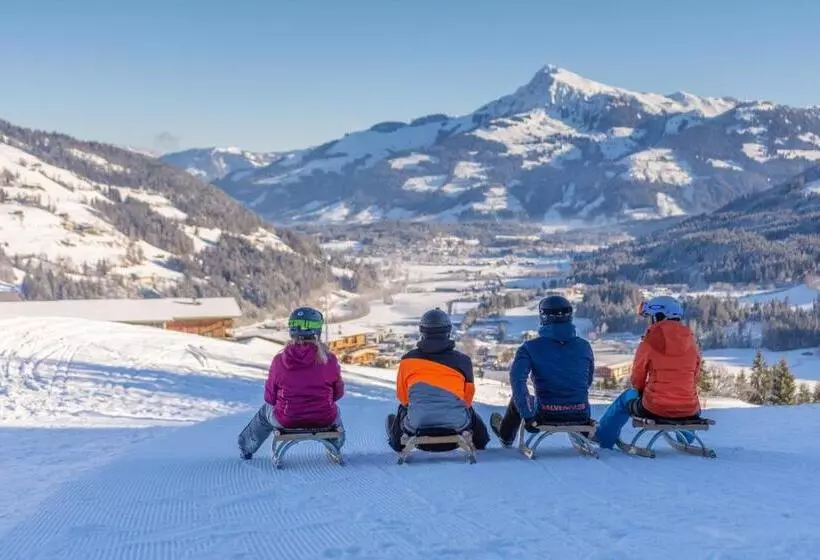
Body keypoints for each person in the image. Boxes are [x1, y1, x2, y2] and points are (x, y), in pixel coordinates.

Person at [594, 295, 702, 449]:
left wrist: (642, 391)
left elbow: (637, 379)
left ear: (659, 316)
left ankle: (603, 437)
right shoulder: (691, 342)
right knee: (688, 399)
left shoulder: (650, 342)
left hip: (656, 407)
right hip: (689, 408)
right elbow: (695, 375)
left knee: (627, 397)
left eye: (650, 317)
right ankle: (686, 437)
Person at [237, 306, 344, 459]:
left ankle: (246, 448)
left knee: (265, 412)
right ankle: (336, 443)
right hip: (323, 418)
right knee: (335, 411)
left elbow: (270, 398)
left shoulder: (280, 360)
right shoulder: (329, 360)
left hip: (287, 419)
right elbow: (338, 393)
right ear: (318, 331)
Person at [490, 295, 594, 446]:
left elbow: (517, 381)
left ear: (543, 317)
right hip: (580, 413)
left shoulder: (529, 348)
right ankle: (582, 432)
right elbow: (587, 381)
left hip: (545, 414)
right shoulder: (585, 346)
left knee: (517, 399)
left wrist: (528, 415)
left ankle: (506, 436)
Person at [386, 308, 490, 452]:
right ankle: (482, 442)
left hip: (416, 427)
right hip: (457, 426)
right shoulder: (463, 361)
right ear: (448, 332)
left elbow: (403, 398)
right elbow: (467, 400)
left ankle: (396, 442)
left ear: (422, 332)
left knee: (403, 408)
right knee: (469, 411)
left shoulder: (407, 361)